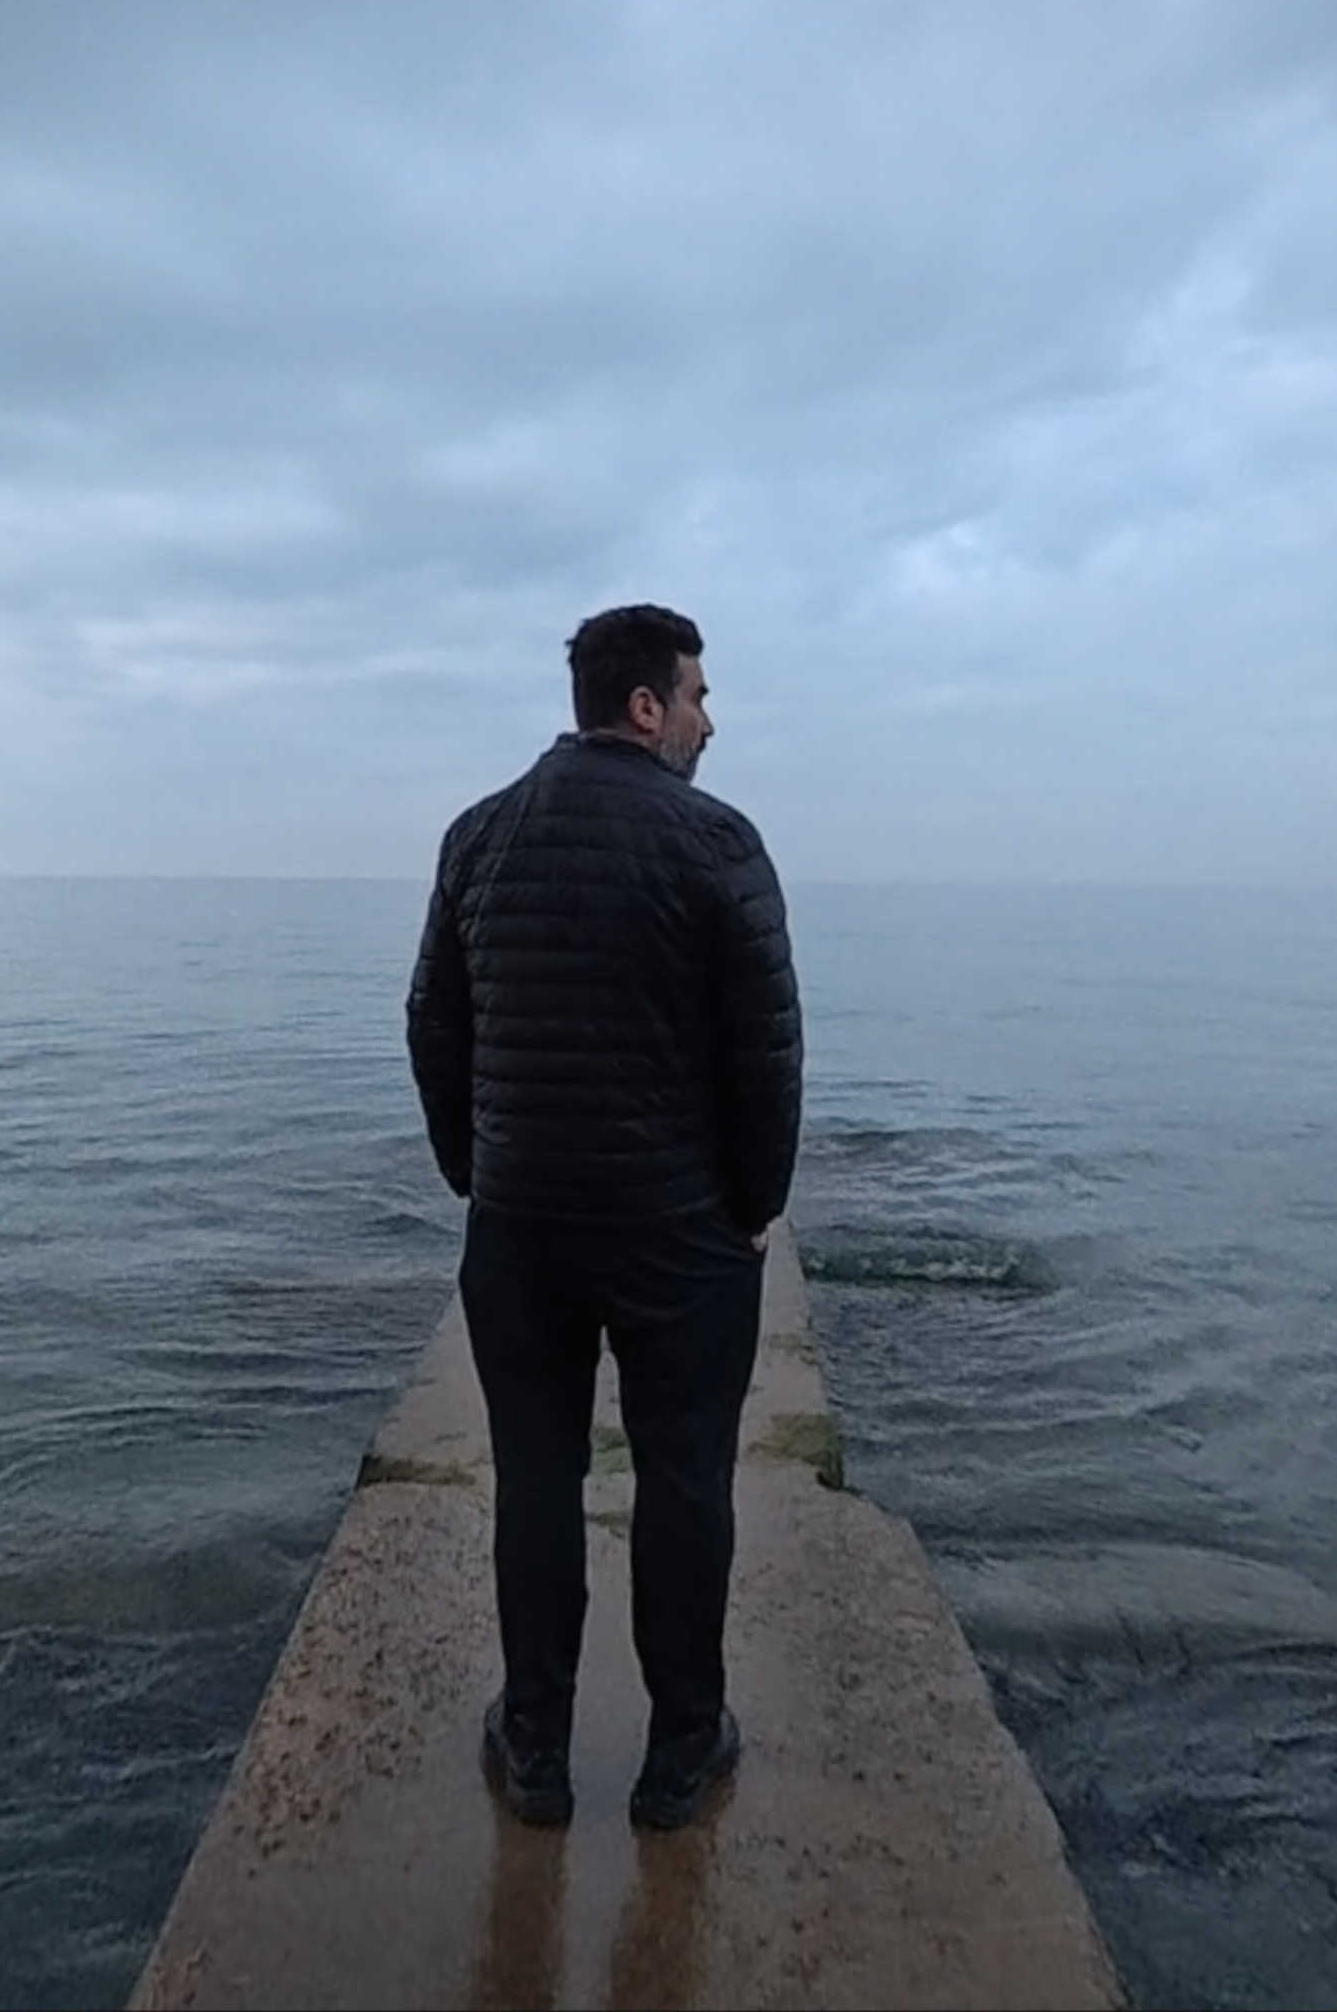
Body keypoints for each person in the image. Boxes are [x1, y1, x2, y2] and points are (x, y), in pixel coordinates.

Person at [405, 602, 804, 1834]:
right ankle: (680, 1755)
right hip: (679, 1235)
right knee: (684, 1482)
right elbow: (767, 1053)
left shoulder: (479, 836)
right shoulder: (718, 843)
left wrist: (477, 1172)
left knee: (536, 1480)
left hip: (522, 1230)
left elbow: (432, 1025)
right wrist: (755, 1208)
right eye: (696, 696)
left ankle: (536, 1749)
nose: (707, 720)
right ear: (645, 707)